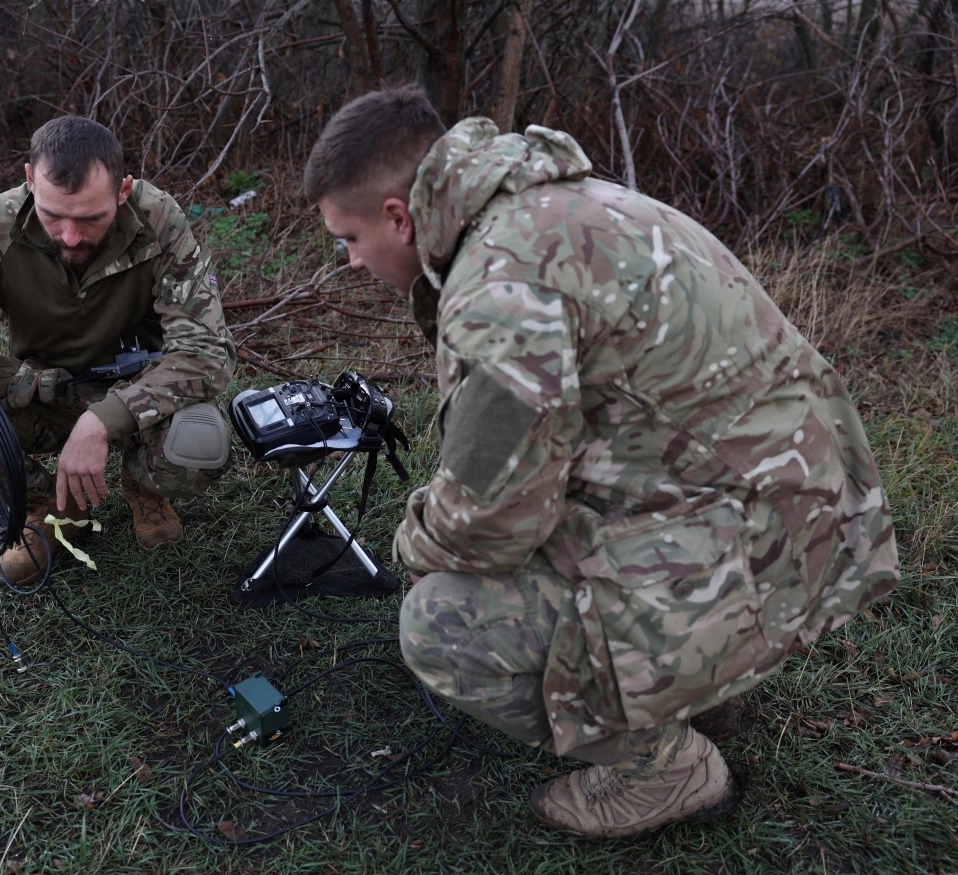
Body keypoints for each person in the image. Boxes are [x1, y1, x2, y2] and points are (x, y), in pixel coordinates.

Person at [304, 86, 899, 838]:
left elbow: (490, 522)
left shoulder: (502, 288)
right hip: (798, 510)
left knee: (442, 623)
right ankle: (695, 675)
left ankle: (666, 766)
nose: (352, 261)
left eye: (349, 239)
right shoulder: (550, 202)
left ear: (398, 216)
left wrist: (415, 544)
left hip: (763, 547)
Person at [0, 116, 235, 583]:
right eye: (53, 215)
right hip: (40, 395)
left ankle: (143, 484)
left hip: (140, 398)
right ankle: (46, 504)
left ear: (123, 191)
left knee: (200, 438)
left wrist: (103, 420)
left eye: (90, 218)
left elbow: (206, 351)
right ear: (30, 180)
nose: (69, 236)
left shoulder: (158, 221)